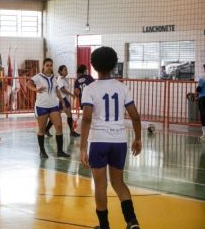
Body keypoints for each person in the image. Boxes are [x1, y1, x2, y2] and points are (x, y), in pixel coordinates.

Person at [79, 46, 142, 229]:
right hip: (119, 141)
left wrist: (83, 147)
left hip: (98, 141)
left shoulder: (90, 89)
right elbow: (135, 116)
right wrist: (138, 138)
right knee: (118, 182)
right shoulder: (122, 87)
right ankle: (132, 221)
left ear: (93, 65)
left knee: (100, 185)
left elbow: (87, 118)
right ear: (114, 64)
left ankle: (104, 226)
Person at [27, 58, 70, 158]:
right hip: (41, 106)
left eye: (51, 65)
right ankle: (42, 151)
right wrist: (36, 89)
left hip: (53, 106)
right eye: (47, 65)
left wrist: (62, 101)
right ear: (43, 66)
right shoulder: (38, 77)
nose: (49, 67)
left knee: (59, 127)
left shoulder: (54, 78)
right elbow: (28, 84)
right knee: (42, 129)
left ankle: (60, 151)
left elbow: (56, 90)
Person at [45, 65, 80, 137]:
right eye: (65, 70)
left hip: (63, 99)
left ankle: (46, 130)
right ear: (60, 71)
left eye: (66, 69)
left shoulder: (64, 79)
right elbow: (62, 89)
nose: (66, 71)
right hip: (62, 99)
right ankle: (72, 132)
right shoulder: (60, 79)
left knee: (56, 116)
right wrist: (71, 94)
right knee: (68, 115)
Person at [197, 64, 205, 141]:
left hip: (203, 98)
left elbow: (198, 89)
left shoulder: (202, 78)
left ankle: (204, 134)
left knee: (203, 115)